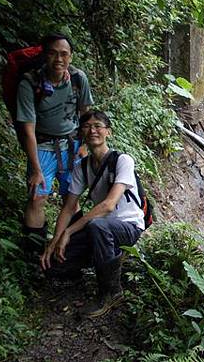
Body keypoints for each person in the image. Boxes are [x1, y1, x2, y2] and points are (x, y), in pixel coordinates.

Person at [41, 110, 144, 318]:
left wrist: (69, 232)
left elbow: (108, 205)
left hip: (127, 226)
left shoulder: (123, 161)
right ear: (81, 134)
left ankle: (110, 291)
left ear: (108, 132)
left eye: (98, 126)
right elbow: (69, 207)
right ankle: (104, 258)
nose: (92, 130)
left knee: (97, 225)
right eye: (87, 126)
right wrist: (53, 243)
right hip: (99, 229)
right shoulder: (83, 167)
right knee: (52, 266)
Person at [16, 33, 93, 253]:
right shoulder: (29, 83)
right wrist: (36, 169)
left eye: (64, 54)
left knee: (72, 198)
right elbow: (28, 130)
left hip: (71, 146)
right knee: (37, 198)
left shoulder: (78, 79)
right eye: (52, 53)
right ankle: (33, 254)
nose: (58, 59)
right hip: (41, 146)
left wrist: (84, 146)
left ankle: (69, 252)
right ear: (44, 55)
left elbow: (86, 115)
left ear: (70, 57)